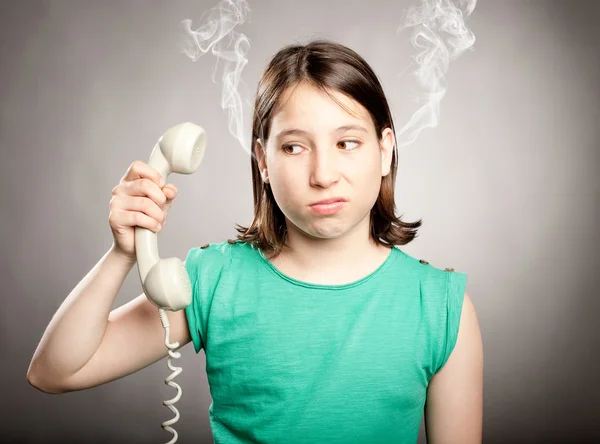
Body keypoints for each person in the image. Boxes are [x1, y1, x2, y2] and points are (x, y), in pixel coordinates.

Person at [27, 39, 483, 443]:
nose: (323, 175)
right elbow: (54, 372)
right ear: (263, 161)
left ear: (385, 150)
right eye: (294, 147)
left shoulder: (441, 306)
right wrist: (123, 255)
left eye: (347, 143)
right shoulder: (213, 280)